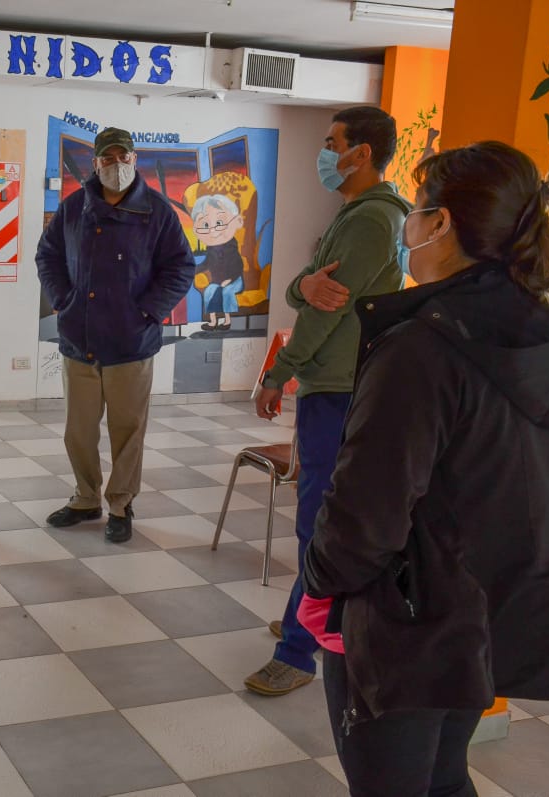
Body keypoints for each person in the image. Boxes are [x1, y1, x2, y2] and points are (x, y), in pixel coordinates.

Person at [301, 141, 549, 796]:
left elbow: (366, 510)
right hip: (490, 610)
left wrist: (321, 583)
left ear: (441, 222)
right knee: (444, 777)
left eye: (414, 211)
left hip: (406, 618)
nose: (406, 228)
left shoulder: (421, 348)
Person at [246, 106, 410, 696]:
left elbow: (324, 305)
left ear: (360, 153)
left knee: (320, 524)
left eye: (331, 142)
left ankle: (299, 649)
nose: (325, 151)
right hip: (332, 386)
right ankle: (303, 620)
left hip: (341, 391)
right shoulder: (358, 214)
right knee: (314, 518)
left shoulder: (371, 222)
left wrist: (278, 373)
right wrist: (301, 285)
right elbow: (305, 283)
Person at [36, 127, 194, 543]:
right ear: (96, 163)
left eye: (125, 158)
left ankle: (120, 503)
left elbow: (180, 267)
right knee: (79, 429)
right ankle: (85, 497)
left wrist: (149, 310)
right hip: (79, 338)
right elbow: (47, 255)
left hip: (131, 340)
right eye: (109, 158)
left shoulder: (157, 211)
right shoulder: (74, 208)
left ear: (135, 160)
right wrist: (61, 299)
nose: (117, 166)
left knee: (128, 429)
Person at [191, 193, 245, 331]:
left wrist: (230, 279)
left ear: (237, 221)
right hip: (217, 281)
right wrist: (192, 269)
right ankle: (213, 321)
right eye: (205, 224)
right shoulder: (211, 250)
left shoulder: (232, 248)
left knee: (227, 292)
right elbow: (206, 264)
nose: (212, 230)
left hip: (235, 280)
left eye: (219, 223)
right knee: (209, 291)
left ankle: (227, 321)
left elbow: (239, 266)